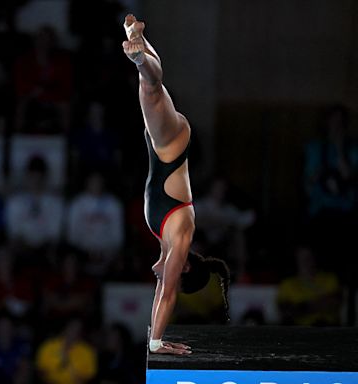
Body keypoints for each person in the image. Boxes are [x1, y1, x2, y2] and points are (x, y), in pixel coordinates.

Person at [122, 14, 230, 354]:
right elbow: (167, 292)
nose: (162, 279)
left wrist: (154, 334)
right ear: (184, 267)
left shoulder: (167, 244)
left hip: (162, 147)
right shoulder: (180, 237)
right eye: (173, 275)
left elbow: (161, 291)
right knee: (151, 89)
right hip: (171, 148)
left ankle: (136, 36)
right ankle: (140, 57)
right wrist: (157, 343)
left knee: (154, 90)